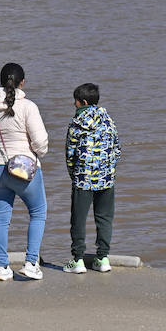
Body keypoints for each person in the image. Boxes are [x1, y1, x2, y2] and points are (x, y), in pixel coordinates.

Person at [0, 62, 48, 281]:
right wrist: (36, 153)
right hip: (24, 168)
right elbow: (41, 142)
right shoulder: (28, 106)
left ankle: (2, 267)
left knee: (1, 218)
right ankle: (31, 263)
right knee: (38, 213)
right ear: (22, 82)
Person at [62, 82, 122, 274]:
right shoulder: (108, 120)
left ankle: (78, 260)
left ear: (84, 102)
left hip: (83, 178)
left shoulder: (76, 124)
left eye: (76, 102)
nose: (74, 105)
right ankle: (103, 258)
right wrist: (110, 170)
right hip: (106, 179)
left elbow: (69, 154)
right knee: (104, 218)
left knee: (78, 219)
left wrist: (74, 174)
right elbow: (117, 149)